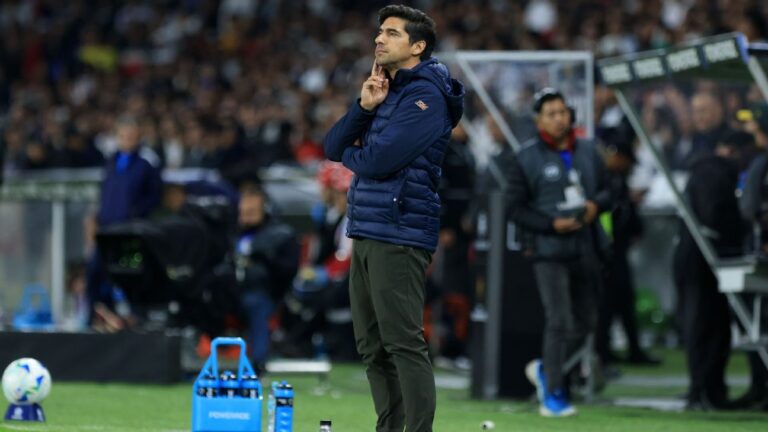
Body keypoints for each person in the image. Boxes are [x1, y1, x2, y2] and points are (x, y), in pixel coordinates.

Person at [323, 5, 464, 431]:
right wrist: (365, 107)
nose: (379, 39)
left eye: (392, 33)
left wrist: (354, 157)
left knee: (403, 342)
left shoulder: (427, 97)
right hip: (367, 227)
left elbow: (378, 161)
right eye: (379, 32)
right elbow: (332, 146)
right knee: (371, 345)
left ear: (417, 46)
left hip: (400, 231)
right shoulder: (387, 91)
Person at [508, 88, 611, 417]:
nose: (559, 119)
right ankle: (553, 394)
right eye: (551, 114)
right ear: (539, 120)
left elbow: (612, 190)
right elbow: (514, 208)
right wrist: (551, 224)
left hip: (586, 246)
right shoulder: (526, 157)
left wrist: (596, 205)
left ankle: (545, 369)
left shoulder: (589, 151)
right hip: (548, 250)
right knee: (559, 320)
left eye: (562, 112)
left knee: (587, 322)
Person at [673, 130, 750, 410]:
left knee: (706, 325)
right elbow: (714, 215)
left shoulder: (704, 170)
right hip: (703, 260)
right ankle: (704, 390)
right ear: (733, 150)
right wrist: (737, 236)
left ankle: (706, 389)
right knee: (707, 326)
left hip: (693, 258)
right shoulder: (714, 173)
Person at [86, 115, 163, 325]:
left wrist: (135, 215)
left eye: (131, 135)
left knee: (130, 275)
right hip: (106, 230)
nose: (127, 139)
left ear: (138, 136)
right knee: (94, 270)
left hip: (129, 232)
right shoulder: (111, 162)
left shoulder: (146, 164)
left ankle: (136, 317)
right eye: (123, 135)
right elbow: (104, 194)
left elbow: (154, 197)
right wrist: (97, 218)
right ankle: (97, 315)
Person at [595, 126, 660, 366]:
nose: (630, 166)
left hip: (615, 251)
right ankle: (605, 351)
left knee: (621, 301)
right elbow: (615, 217)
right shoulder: (606, 181)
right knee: (608, 303)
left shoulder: (615, 181)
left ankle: (621, 349)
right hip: (608, 252)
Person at [235, 180, 299, 372]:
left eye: (252, 211)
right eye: (244, 211)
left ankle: (257, 363)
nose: (246, 215)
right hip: (230, 292)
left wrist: (265, 262)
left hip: (264, 294)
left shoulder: (280, 235)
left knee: (255, 303)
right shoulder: (230, 233)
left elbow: (288, 272)